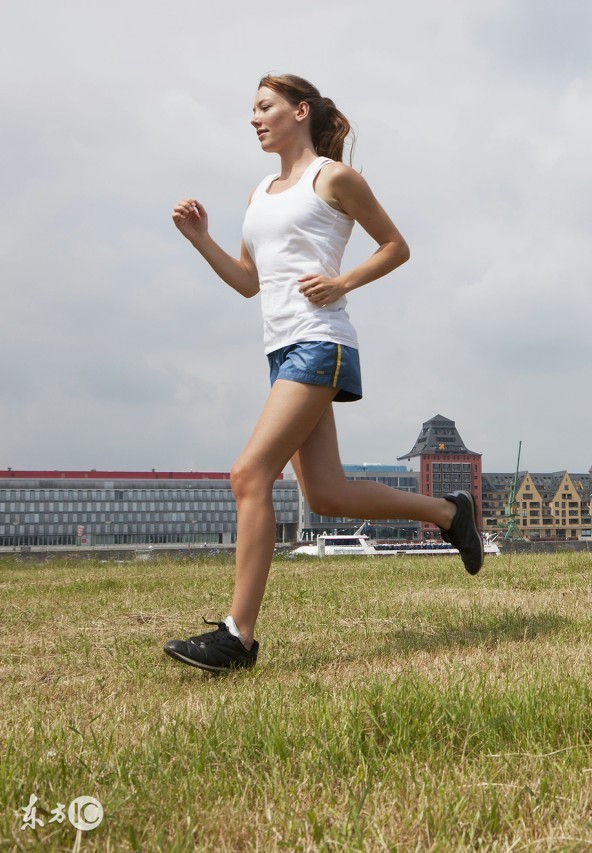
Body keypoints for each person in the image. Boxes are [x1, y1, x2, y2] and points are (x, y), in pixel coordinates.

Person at [165, 74, 484, 672]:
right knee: (327, 493)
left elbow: (395, 246)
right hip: (281, 348)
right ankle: (449, 512)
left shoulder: (331, 177)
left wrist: (341, 282)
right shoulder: (261, 189)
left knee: (249, 474)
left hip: (320, 342)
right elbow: (248, 282)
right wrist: (200, 239)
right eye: (253, 109)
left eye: (265, 107)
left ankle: (239, 634)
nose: (254, 118)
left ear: (299, 111)